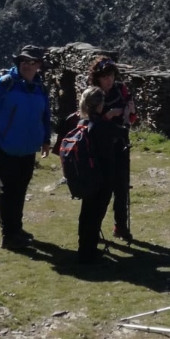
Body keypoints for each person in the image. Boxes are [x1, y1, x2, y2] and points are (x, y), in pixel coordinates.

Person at [0, 45, 52, 250]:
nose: (27, 65)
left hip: (28, 148)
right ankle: (8, 235)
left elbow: (45, 115)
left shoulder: (40, 88)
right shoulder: (4, 85)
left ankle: (16, 229)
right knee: (9, 190)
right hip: (6, 146)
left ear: (39, 65)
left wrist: (45, 139)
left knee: (20, 188)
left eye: (32, 62)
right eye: (24, 61)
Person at [87, 56, 138, 242]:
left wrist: (130, 111)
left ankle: (121, 226)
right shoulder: (93, 94)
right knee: (102, 188)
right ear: (97, 77)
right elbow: (88, 121)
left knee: (122, 187)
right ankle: (93, 229)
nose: (109, 80)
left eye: (111, 76)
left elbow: (132, 118)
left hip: (121, 144)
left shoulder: (121, 90)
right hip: (100, 148)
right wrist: (108, 115)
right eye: (105, 76)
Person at [67, 86, 117, 264]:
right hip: (101, 178)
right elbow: (108, 154)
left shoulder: (81, 123)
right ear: (99, 105)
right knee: (96, 215)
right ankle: (89, 253)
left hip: (87, 176)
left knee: (87, 213)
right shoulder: (102, 126)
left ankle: (84, 249)